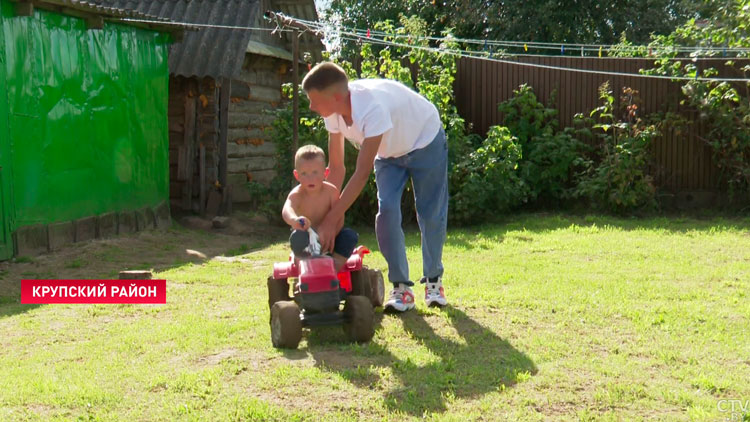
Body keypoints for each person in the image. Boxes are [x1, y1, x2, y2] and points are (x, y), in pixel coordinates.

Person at [300, 61, 449, 312]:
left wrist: (330, 220)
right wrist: (325, 214)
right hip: (389, 153)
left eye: (314, 100)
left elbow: (361, 173)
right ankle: (401, 288)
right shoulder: (333, 114)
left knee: (429, 212)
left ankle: (434, 281)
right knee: (387, 211)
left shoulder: (371, 108)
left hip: (425, 140)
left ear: (336, 97)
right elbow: (337, 169)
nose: (311, 106)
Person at [282, 144, 358, 272]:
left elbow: (338, 215)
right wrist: (295, 219)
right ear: (297, 175)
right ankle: (303, 267)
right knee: (297, 237)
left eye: (315, 172)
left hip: (330, 239)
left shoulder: (331, 192)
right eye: (304, 173)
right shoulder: (297, 194)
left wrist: (333, 233)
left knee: (349, 236)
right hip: (307, 239)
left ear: (325, 173)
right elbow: (286, 210)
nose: (310, 178)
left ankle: (335, 266)